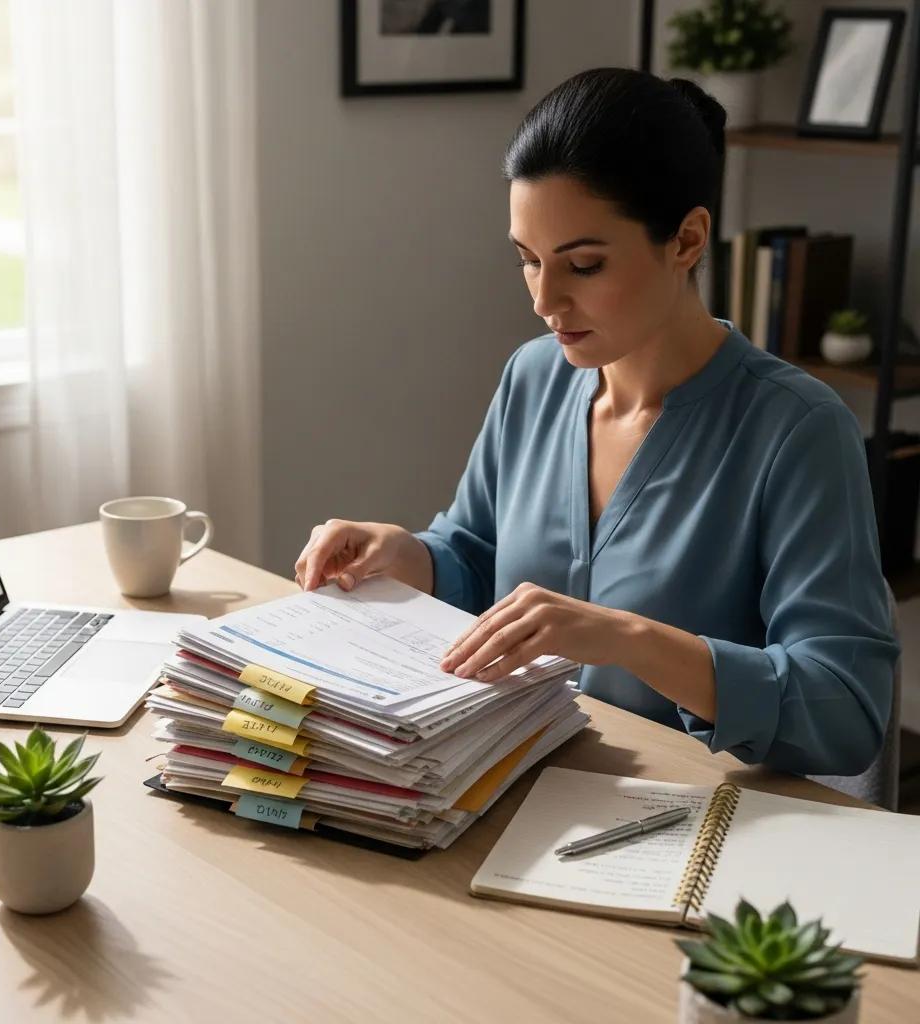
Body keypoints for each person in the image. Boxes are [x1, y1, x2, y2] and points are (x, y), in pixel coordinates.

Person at [294, 67, 898, 777]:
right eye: (528, 262)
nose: (546, 301)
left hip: (693, 834)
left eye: (582, 265)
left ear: (687, 240)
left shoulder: (797, 432)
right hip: (511, 794)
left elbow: (847, 712)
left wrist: (629, 639)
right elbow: (480, 560)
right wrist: (409, 557)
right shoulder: (533, 377)